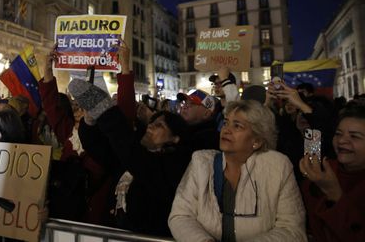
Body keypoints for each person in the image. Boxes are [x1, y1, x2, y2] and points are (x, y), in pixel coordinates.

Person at [168, 100, 306, 242]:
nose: (226, 130)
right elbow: (181, 216)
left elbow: (291, 229)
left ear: (257, 140)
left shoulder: (278, 166)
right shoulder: (201, 163)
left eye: (237, 126)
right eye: (226, 123)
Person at [69, 78, 191, 237]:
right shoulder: (132, 157)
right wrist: (90, 121)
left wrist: (105, 109)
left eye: (159, 125)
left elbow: (135, 156)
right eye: (151, 122)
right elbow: (99, 149)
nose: (151, 126)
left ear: (175, 138)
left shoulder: (171, 167)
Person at [299, 100, 365, 242]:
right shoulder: (325, 169)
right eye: (338, 134)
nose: (342, 141)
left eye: (354, 136)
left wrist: (334, 193)